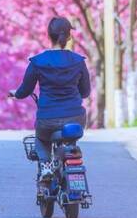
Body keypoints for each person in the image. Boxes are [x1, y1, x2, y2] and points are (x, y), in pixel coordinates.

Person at [9, 17, 90, 181]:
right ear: (68, 37)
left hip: (48, 119)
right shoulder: (78, 61)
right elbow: (85, 92)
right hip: (75, 118)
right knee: (71, 141)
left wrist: (16, 94)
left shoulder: (38, 62)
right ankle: (71, 160)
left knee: (41, 139)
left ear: (48, 35)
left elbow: (26, 90)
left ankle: (46, 166)